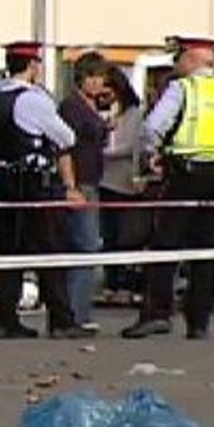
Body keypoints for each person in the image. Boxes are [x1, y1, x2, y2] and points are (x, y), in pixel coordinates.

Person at [121, 36, 214, 340]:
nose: (175, 64)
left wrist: (152, 155)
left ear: (192, 59)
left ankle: (157, 313)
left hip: (184, 174)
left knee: (165, 246)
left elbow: (153, 127)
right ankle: (199, 320)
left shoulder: (184, 89)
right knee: (206, 252)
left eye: (179, 57)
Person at [0, 41, 93, 340]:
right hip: (34, 185)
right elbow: (65, 136)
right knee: (50, 252)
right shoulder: (32, 100)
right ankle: (61, 320)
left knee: (9, 255)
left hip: (5, 183)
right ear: (33, 66)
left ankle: (5, 320)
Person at [58, 51, 112, 330]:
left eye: (100, 76)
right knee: (85, 247)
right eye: (91, 77)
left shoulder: (92, 106)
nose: (96, 82)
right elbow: (64, 148)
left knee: (86, 248)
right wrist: (71, 186)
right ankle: (74, 315)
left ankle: (77, 312)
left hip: (92, 182)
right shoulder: (71, 107)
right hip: (80, 184)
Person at [98, 64, 145, 302]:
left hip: (124, 180)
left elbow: (132, 147)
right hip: (105, 180)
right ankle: (111, 282)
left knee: (124, 235)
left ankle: (127, 283)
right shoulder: (107, 112)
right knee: (108, 234)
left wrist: (105, 152)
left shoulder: (135, 114)